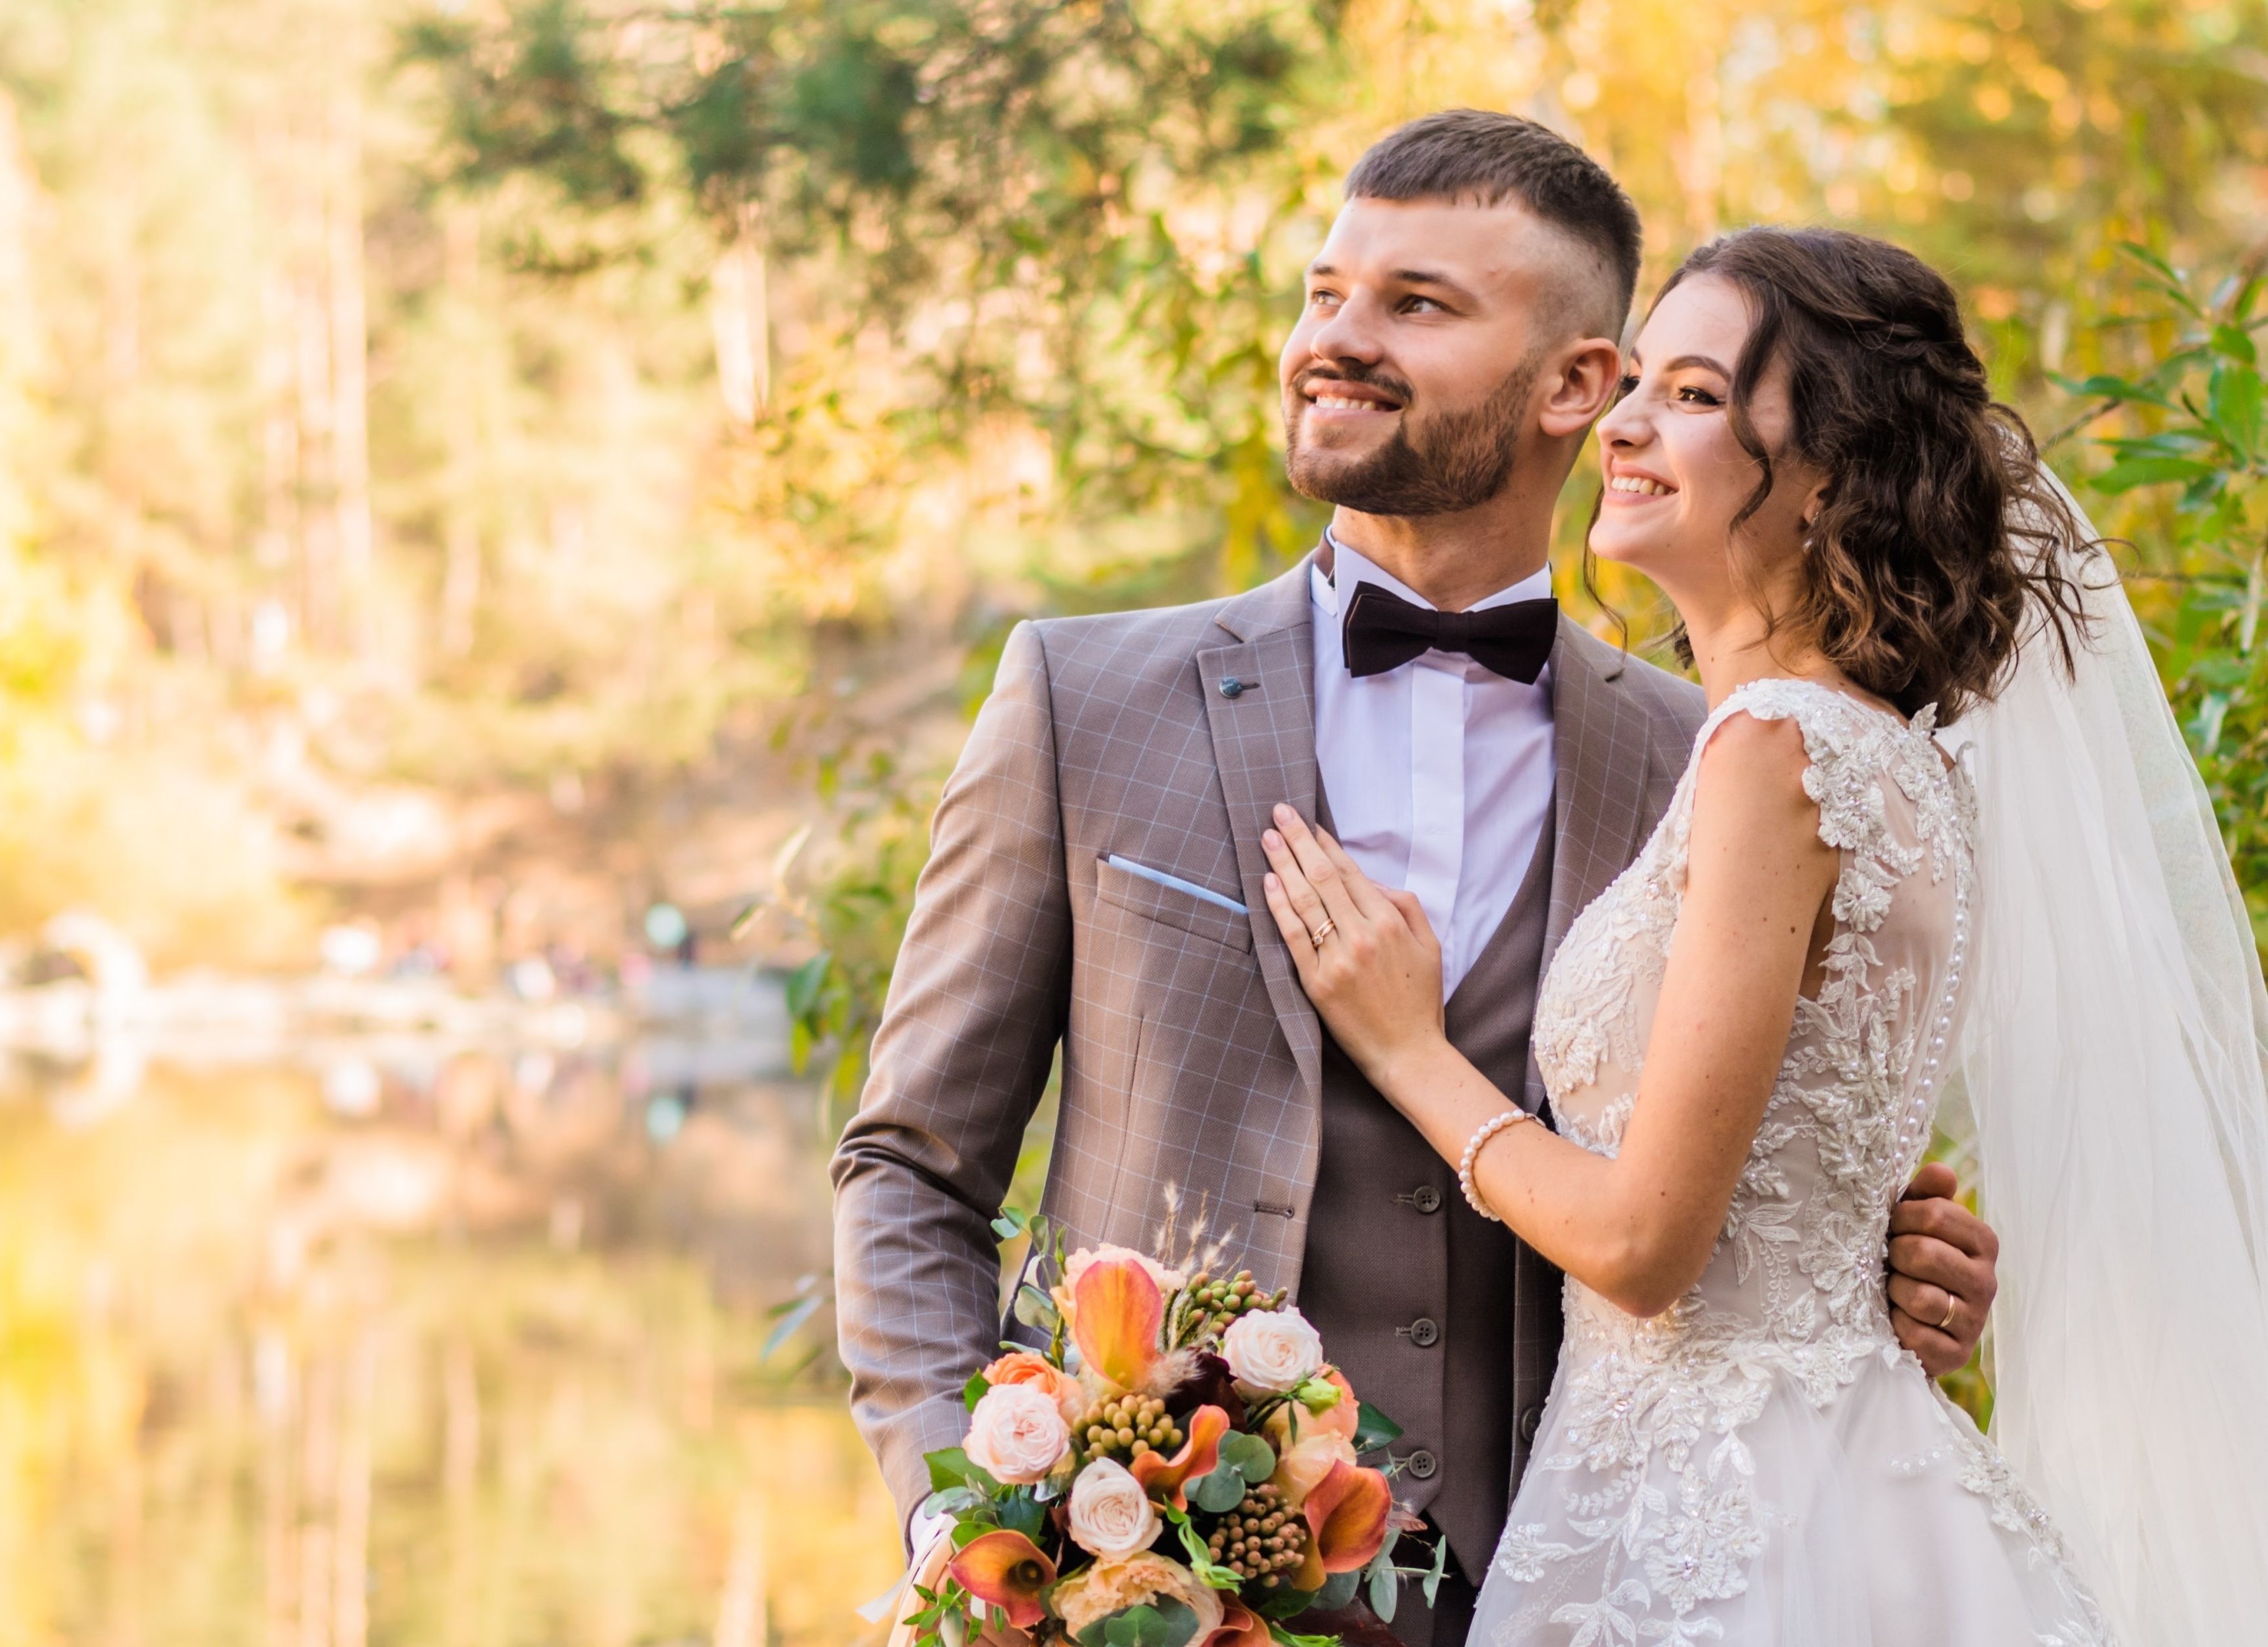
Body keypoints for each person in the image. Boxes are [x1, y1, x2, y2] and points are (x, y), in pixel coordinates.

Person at [831, 112, 2003, 1647]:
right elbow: (911, 1169)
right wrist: (972, 1523)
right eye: (1325, 292)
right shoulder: (1082, 701)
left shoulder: (1712, 747)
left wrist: (1888, 1271)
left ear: (1579, 385)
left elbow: (1735, 1180)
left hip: (1579, 1572)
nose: (1337, 340)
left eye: (1416, 305)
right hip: (1147, 1597)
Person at [1262, 224, 2268, 1642]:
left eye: (1689, 395)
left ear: (1823, 478)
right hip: (1836, 1472)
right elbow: (1803, 1165)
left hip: (1717, 1518)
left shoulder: (1773, 755)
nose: (1622, 425)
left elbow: (1642, 1245)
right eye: (1637, 387)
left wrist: (1407, 1046)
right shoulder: (1893, 762)